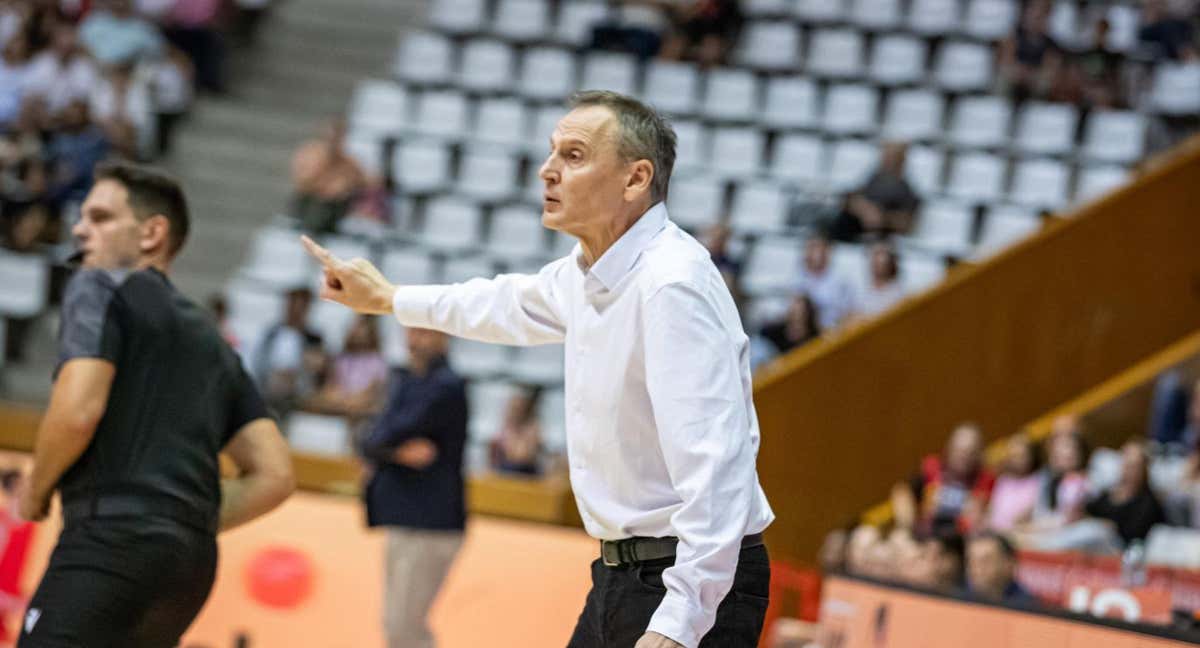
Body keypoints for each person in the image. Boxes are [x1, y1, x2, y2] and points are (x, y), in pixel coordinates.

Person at [303, 89, 775, 648]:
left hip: (687, 582)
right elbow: (503, 304)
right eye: (552, 153)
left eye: (573, 156)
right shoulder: (587, 272)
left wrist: (679, 623)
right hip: (624, 574)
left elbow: (717, 470)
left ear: (635, 178)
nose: (547, 171)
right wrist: (389, 298)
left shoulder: (670, 285)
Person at [17, 161, 293, 647]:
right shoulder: (214, 341)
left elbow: (79, 409)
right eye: (82, 217)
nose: (80, 229)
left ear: (152, 233)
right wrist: (178, 518)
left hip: (109, 540)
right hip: (188, 567)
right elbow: (275, 476)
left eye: (100, 218)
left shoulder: (97, 284)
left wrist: (36, 489)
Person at [360, 327, 468, 648]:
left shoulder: (446, 387)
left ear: (445, 336)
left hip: (431, 523)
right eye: (411, 331)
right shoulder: (406, 382)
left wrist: (381, 447)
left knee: (405, 628)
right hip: (405, 516)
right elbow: (370, 438)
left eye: (424, 332)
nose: (415, 340)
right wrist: (392, 452)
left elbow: (383, 434)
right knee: (396, 625)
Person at [892, 423, 996, 537]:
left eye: (970, 452)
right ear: (949, 448)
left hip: (961, 541)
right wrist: (906, 526)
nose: (964, 457)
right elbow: (901, 491)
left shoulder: (985, 480)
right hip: (925, 535)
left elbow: (984, 516)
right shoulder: (931, 468)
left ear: (979, 454)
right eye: (959, 450)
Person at [248, 286, 327, 418]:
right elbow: (259, 361)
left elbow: (317, 367)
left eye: (301, 306)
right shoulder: (272, 333)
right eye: (293, 304)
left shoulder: (314, 338)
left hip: (297, 396)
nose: (296, 310)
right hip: (268, 392)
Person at [290, 117, 367, 234]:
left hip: (334, 208)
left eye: (337, 138)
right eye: (330, 137)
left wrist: (342, 187)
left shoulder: (349, 161)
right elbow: (303, 181)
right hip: (309, 204)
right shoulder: (309, 153)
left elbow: (363, 181)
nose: (332, 142)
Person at [830, 142, 920, 242]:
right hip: (854, 231)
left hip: (882, 239)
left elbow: (907, 224)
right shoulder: (874, 179)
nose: (887, 162)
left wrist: (882, 216)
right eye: (885, 158)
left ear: (901, 161)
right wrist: (863, 209)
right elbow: (849, 197)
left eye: (892, 159)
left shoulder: (906, 190)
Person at [304, 314, 388, 419]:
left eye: (361, 326)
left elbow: (371, 393)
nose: (357, 330)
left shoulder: (377, 362)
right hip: (340, 409)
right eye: (355, 325)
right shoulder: (343, 359)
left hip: (362, 414)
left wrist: (346, 400)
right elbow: (330, 388)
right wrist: (341, 399)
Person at [997, 0, 1064, 103]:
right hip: (1015, 75)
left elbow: (1050, 70)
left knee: (1044, 84)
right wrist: (1019, 73)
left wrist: (1031, 76)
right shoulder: (1013, 37)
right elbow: (1004, 62)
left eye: (1040, 16)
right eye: (1033, 14)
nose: (1035, 19)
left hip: (1035, 79)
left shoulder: (1052, 44)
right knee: (1003, 79)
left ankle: (1035, 109)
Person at [794, 232, 854, 331]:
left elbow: (847, 312)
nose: (814, 252)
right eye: (810, 247)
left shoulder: (841, 279)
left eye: (818, 247)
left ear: (827, 251)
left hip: (831, 331)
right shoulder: (798, 273)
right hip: (804, 332)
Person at [984, 434, 1043, 532]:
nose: (1017, 461)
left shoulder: (1039, 480)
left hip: (1022, 533)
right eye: (1013, 456)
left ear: (1032, 456)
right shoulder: (1003, 480)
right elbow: (992, 511)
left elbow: (1031, 514)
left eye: (1022, 456)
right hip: (996, 532)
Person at [659, 0, 744, 67]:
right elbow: (684, 25)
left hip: (715, 40)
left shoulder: (729, 6)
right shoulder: (697, 6)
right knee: (673, 46)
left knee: (710, 48)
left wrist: (721, 44)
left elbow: (729, 30)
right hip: (692, 36)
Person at [965, 532, 1039, 607]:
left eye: (986, 561)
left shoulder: (1027, 606)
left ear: (1009, 564)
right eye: (972, 560)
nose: (976, 568)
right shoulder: (961, 595)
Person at [489, 385, 544, 476]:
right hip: (507, 470)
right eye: (514, 407)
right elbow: (508, 453)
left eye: (519, 407)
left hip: (527, 472)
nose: (516, 410)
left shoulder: (532, 427)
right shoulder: (507, 426)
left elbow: (523, 455)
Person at [850, 242, 907, 320]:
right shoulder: (860, 287)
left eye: (881, 263)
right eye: (874, 262)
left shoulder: (898, 292)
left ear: (890, 265)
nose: (876, 266)